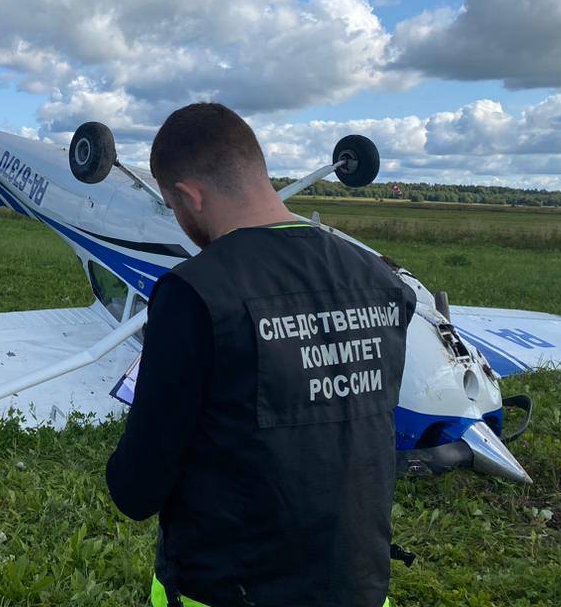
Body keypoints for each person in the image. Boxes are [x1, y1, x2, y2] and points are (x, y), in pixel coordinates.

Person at [106, 102, 414, 607]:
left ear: (189, 196)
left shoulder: (195, 293)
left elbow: (138, 489)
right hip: (358, 586)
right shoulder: (380, 278)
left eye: (174, 207)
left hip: (227, 590)